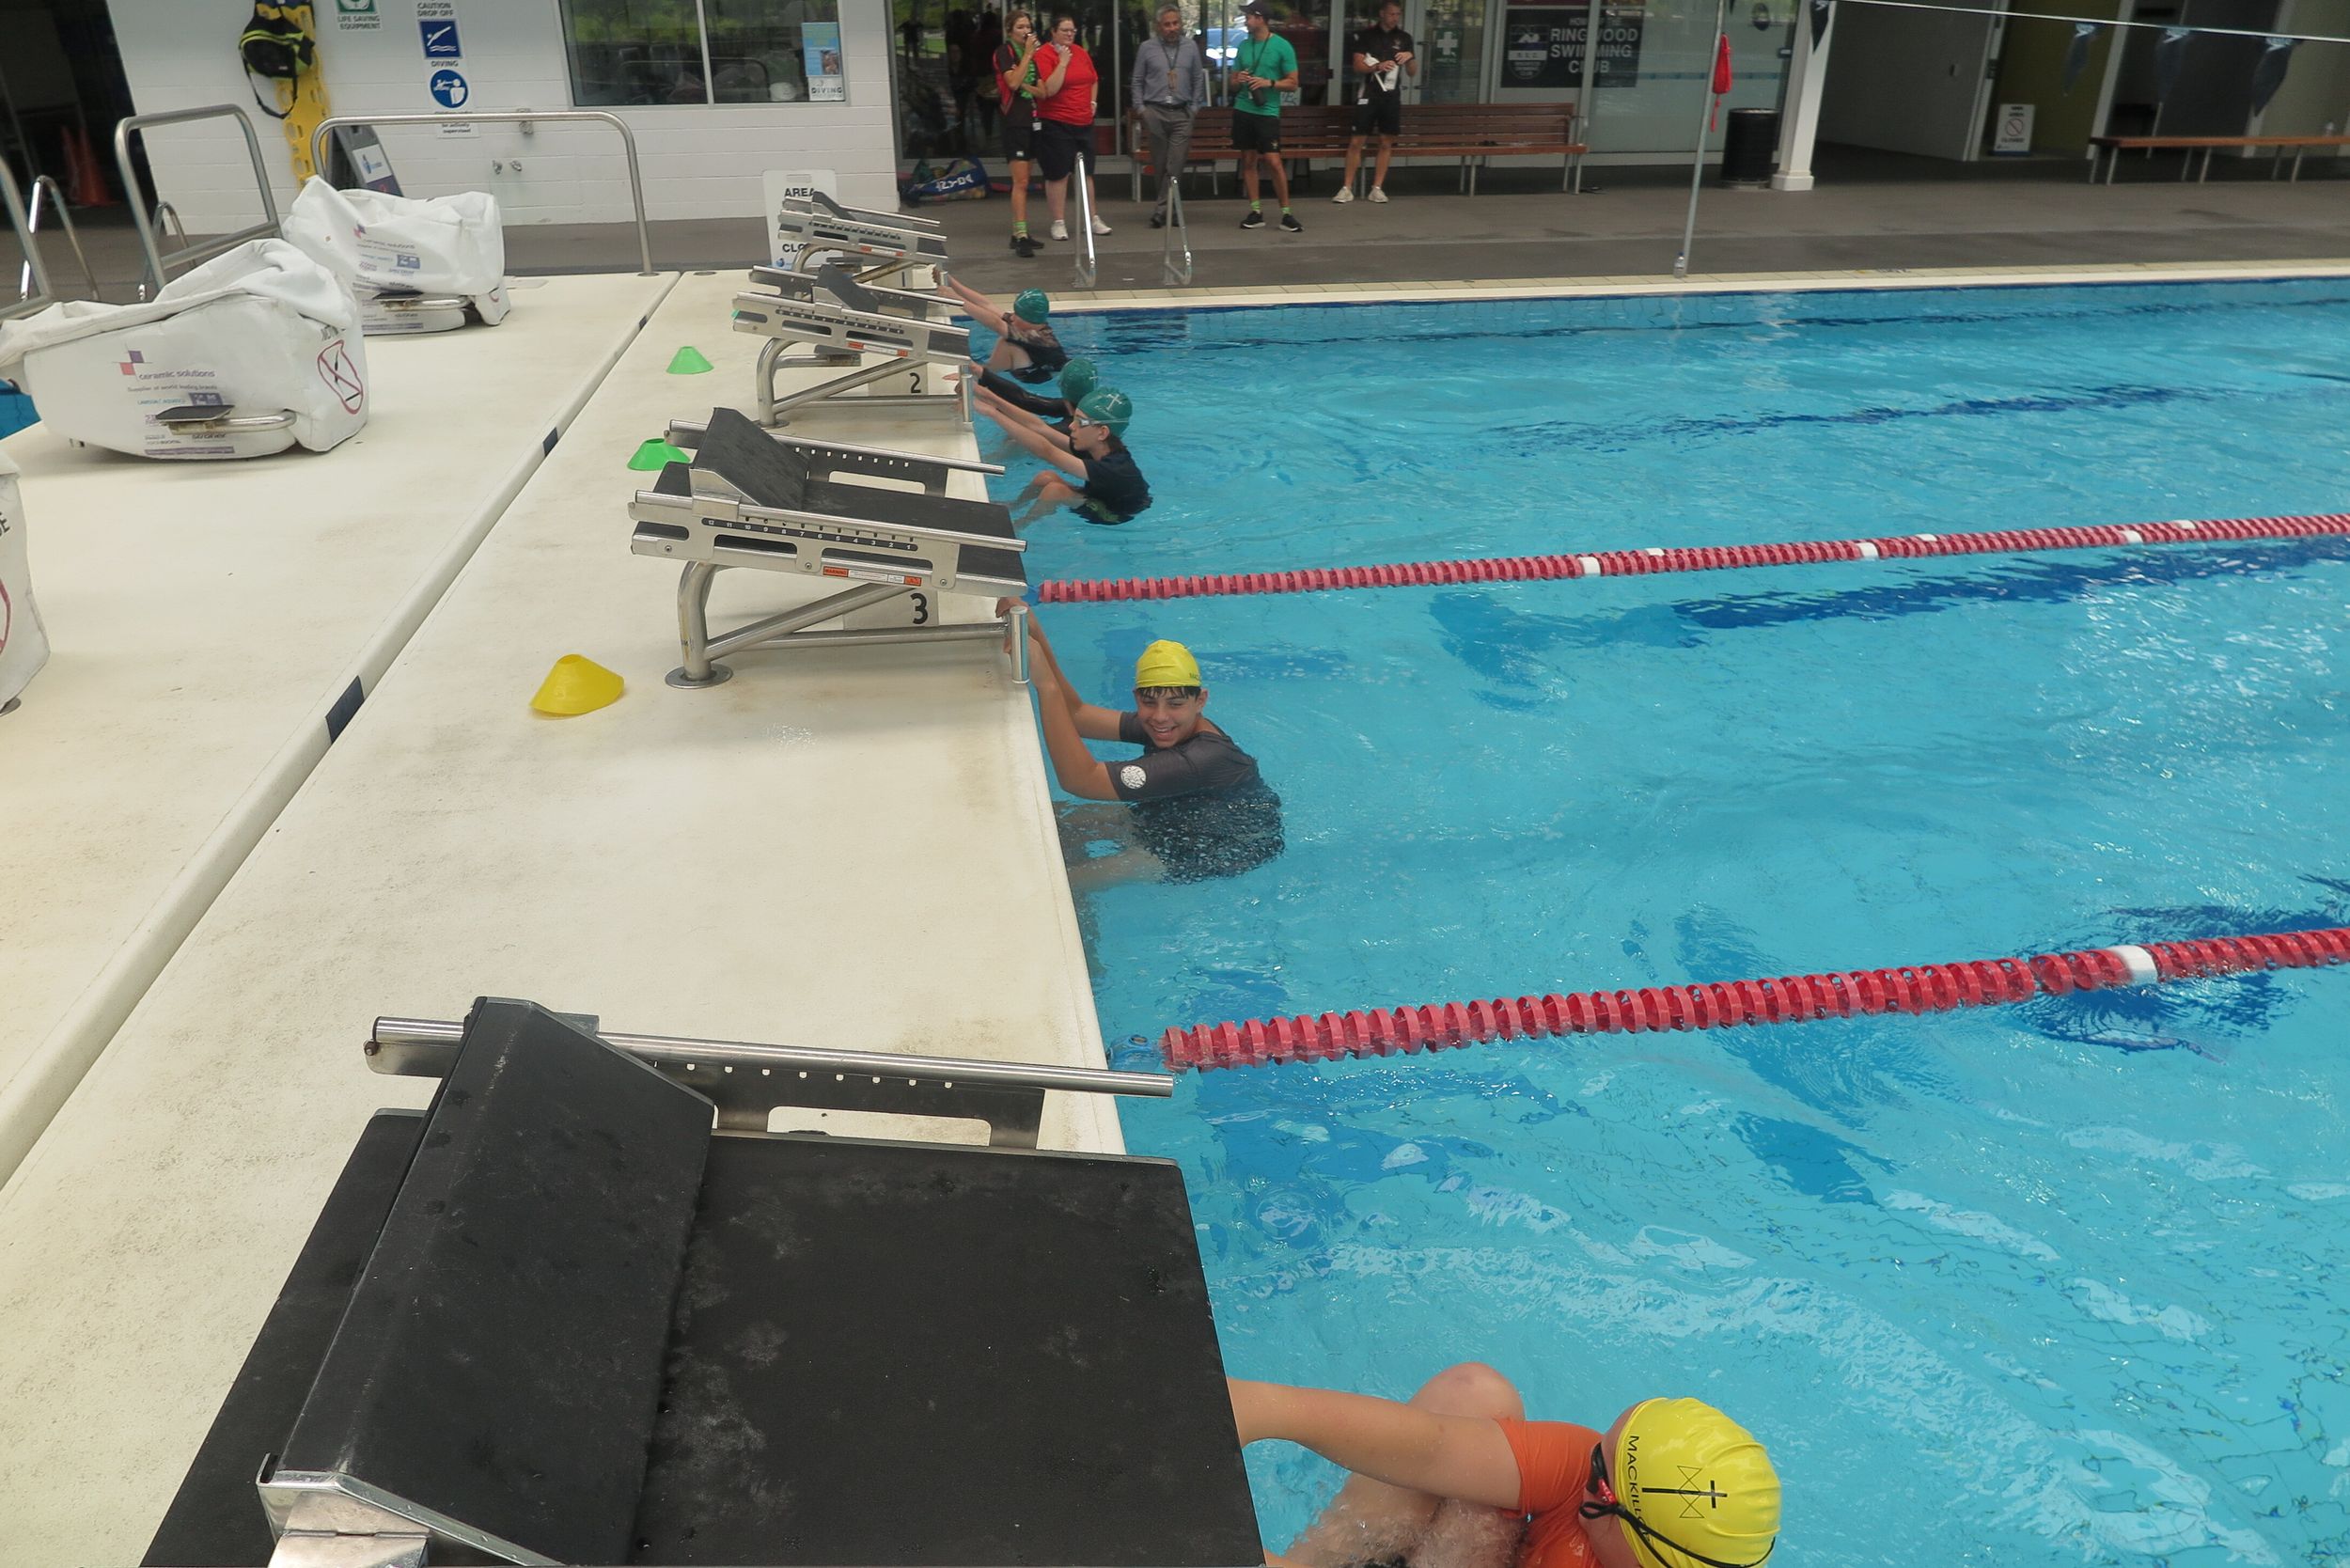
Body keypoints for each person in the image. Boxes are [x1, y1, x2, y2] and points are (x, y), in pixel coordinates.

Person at [1229, 1368, 1781, 1568]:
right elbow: (1433, 1448)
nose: (1586, 1461)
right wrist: (1266, 1407)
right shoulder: (1590, 1471)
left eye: (1599, 1476)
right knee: (1472, 1394)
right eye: (1601, 1451)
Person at [1011, 615, 1284, 889]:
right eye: (1149, 702)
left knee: (1057, 885)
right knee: (1055, 822)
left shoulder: (1200, 759)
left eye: (1175, 704)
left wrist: (1046, 686)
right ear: (1136, 697)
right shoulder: (1171, 725)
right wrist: (1035, 634)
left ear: (1200, 700)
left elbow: (1080, 780)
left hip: (1218, 848)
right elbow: (1077, 716)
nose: (1160, 717)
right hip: (1179, 815)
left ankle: (1082, 911)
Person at [978, 385, 1151, 525]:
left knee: (1055, 491)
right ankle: (1014, 507)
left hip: (1115, 514)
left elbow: (1046, 451)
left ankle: (1019, 526)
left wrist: (994, 414)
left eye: (1080, 422)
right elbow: (1040, 427)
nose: (1071, 426)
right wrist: (989, 397)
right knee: (1046, 477)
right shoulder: (1098, 448)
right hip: (1100, 497)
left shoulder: (1114, 469)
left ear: (1102, 433)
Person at [1034, 13, 1111, 243]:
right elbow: (1049, 89)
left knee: (1086, 172)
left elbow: (1093, 79)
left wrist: (1093, 102)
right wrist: (1063, 63)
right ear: (1053, 32)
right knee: (1058, 173)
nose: (1070, 34)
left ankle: (1092, 218)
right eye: (1065, 30)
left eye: (1073, 31)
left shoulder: (1081, 52)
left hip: (1083, 120)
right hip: (1056, 121)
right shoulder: (1043, 54)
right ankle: (1058, 221)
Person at [1130, 5, 1209, 230]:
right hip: (1155, 112)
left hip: (1182, 113)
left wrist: (1194, 107)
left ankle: (1160, 210)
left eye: (1176, 23)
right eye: (1167, 24)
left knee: (1175, 164)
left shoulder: (1190, 47)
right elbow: (1137, 80)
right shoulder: (1147, 48)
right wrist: (1141, 109)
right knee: (1161, 163)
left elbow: (1197, 78)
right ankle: (1171, 211)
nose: (1172, 28)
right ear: (1158, 27)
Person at [1335, 0, 1417, 205]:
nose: (1395, 18)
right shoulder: (1366, 36)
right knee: (1357, 141)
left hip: (1391, 95)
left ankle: (1377, 188)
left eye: (1398, 14)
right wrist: (1378, 66)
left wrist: (1410, 57)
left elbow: (1412, 72)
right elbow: (1357, 65)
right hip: (1369, 93)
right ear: (1382, 13)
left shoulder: (1404, 38)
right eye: (1391, 14)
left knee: (1386, 142)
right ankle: (1346, 188)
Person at [1230, 3, 1302, 233]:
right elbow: (1232, 83)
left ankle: (1287, 213)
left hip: (1267, 111)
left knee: (1273, 161)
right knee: (1248, 160)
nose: (1246, 20)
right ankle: (1256, 211)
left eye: (1249, 16)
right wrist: (1239, 79)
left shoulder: (1282, 46)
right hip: (1243, 108)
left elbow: (1293, 83)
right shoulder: (1243, 46)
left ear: (1260, 19)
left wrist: (1268, 83)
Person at [941, 274, 1070, 384]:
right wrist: (950, 281)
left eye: (1017, 315)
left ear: (1028, 319)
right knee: (1009, 338)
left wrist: (956, 299)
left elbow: (996, 324)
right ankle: (982, 372)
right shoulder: (1031, 324)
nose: (1012, 317)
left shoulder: (1040, 338)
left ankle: (978, 374)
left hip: (1037, 378)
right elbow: (987, 304)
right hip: (1032, 367)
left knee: (1006, 343)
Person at [995, 9, 1047, 255]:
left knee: (1028, 178)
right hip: (1014, 121)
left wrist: (1025, 77)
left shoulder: (1033, 55)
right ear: (1010, 30)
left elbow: (1042, 91)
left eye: (1028, 27)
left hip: (1032, 119)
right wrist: (1026, 55)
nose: (1026, 31)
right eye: (1020, 27)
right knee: (1021, 181)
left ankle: (1019, 232)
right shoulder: (1004, 52)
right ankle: (1020, 234)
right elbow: (1013, 83)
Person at [975, 355, 1097, 432]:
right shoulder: (1090, 408)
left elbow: (1035, 432)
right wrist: (980, 372)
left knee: (1013, 442)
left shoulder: (1072, 430)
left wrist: (994, 408)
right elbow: (1026, 400)